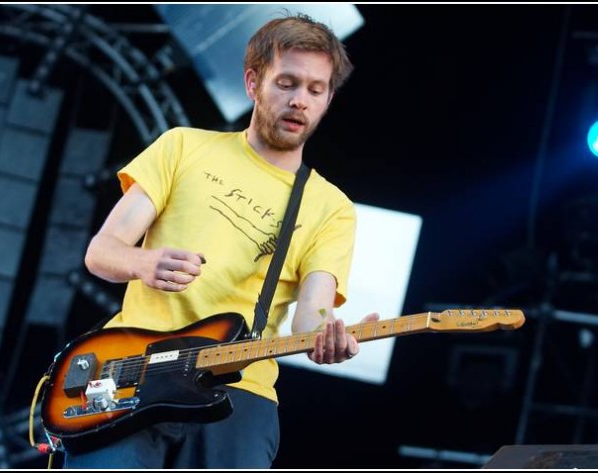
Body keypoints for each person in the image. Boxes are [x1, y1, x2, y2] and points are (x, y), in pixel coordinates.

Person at [65, 12, 378, 469]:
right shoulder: (183, 146)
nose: (300, 101)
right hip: (131, 367)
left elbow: (312, 312)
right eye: (286, 83)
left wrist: (330, 336)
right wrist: (143, 263)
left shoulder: (330, 207)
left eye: (316, 90)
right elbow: (101, 252)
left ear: (329, 99)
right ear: (253, 82)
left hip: (239, 388)